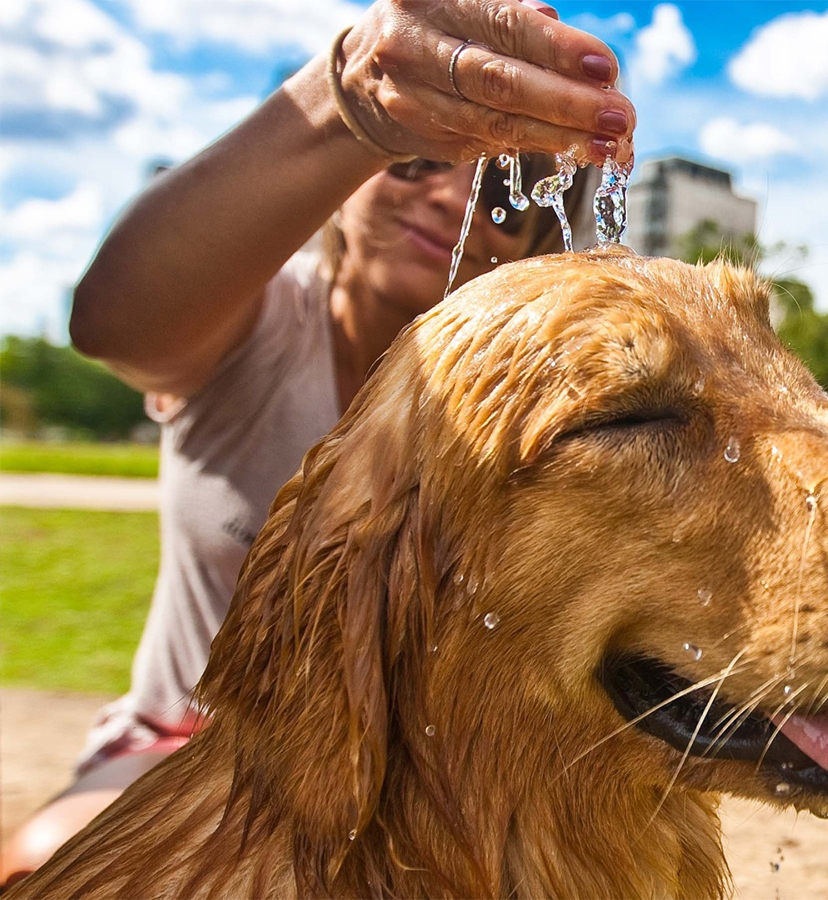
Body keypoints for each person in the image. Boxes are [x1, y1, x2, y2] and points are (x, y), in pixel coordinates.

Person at [0, 0, 635, 882]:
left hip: (433, 772)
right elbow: (115, 322)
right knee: (52, 869)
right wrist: (351, 99)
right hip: (187, 743)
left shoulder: (544, 417)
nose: (452, 198)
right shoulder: (261, 322)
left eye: (501, 196)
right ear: (347, 180)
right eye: (419, 159)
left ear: (535, 244)